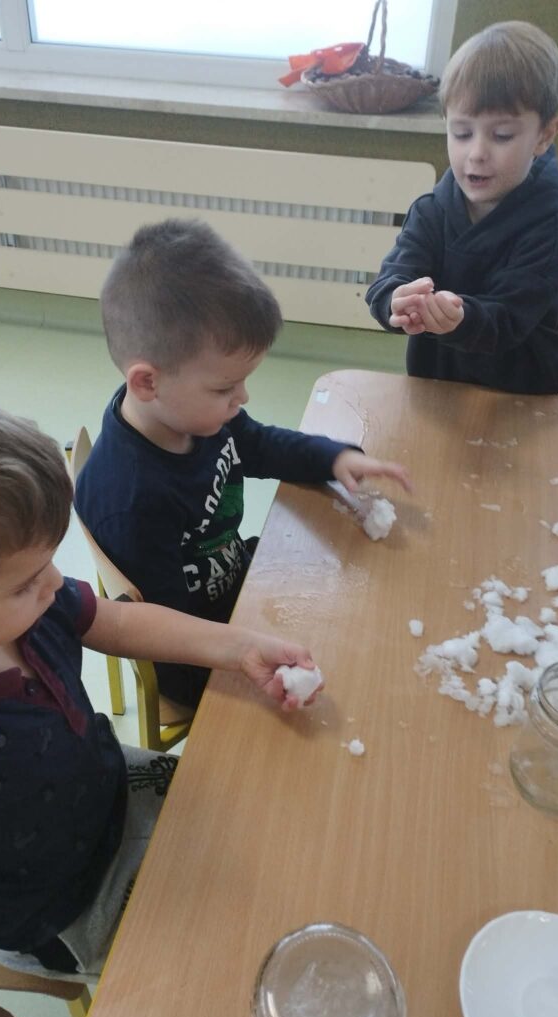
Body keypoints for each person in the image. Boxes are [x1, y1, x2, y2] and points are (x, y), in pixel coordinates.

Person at [0, 373, 319, 1017]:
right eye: (25, 582)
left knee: (295, 833)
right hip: (61, 907)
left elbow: (112, 619)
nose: (54, 584)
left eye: (50, 561)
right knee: (231, 978)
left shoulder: (18, 603)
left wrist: (235, 646)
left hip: (113, 788)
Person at [75, 219, 412, 709]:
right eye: (225, 387)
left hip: (236, 586)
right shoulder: (132, 500)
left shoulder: (193, 414)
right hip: (201, 657)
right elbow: (172, 641)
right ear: (147, 382)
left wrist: (333, 457)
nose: (242, 398)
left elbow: (258, 444)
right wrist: (249, 654)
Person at [366, 21, 558, 395]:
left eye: (502, 136)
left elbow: (509, 319)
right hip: (439, 382)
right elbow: (391, 276)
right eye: (462, 133)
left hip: (521, 389)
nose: (477, 153)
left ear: (544, 135)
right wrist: (395, 300)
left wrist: (460, 319)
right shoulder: (432, 210)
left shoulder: (550, 223)